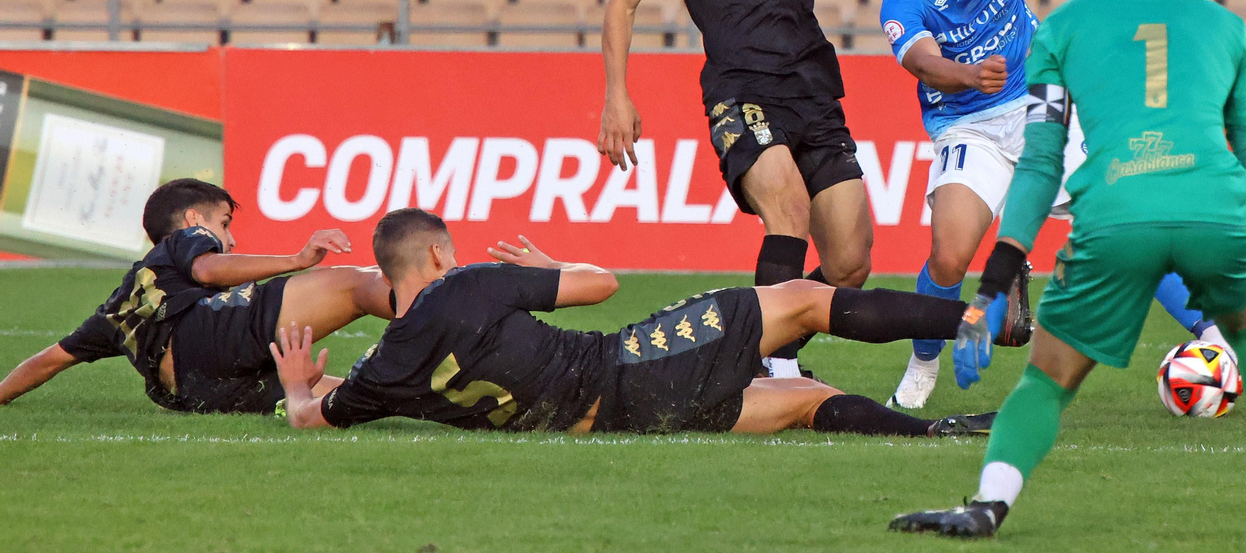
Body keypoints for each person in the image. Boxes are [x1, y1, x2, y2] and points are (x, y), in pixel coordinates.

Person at [890, 0, 1246, 537]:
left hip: (1116, 212)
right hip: (1216, 211)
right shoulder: (1230, 29)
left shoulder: (1061, 28)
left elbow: (1042, 161)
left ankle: (988, 505)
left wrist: (1000, 277)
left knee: (1048, 378)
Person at [877, 0, 1231, 410]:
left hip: (1040, 94)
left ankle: (1214, 337)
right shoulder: (901, 0)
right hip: (967, 121)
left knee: (1121, 221)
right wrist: (966, 75)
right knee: (949, 256)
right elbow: (922, 61)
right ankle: (923, 362)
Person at [597, 0, 906, 378]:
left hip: (815, 92)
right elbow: (622, 2)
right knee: (786, 211)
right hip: (742, 94)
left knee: (850, 265)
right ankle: (777, 372)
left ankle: (751, 343)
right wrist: (616, 97)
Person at [271, 209, 1008, 438]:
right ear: (438, 253)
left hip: (619, 420)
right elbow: (603, 285)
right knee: (806, 297)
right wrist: (549, 262)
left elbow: (313, 416)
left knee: (805, 403)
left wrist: (301, 388)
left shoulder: (384, 373)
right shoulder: (468, 283)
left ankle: (934, 436)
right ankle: (980, 316)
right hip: (631, 364)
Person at [0, 179, 393, 414]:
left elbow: (48, 361)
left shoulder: (118, 309)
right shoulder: (186, 238)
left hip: (194, 393)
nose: (232, 239)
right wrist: (297, 259)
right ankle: (439, 304)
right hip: (205, 341)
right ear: (193, 219)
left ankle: (436, 394)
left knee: (361, 395)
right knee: (358, 283)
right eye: (224, 224)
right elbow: (206, 269)